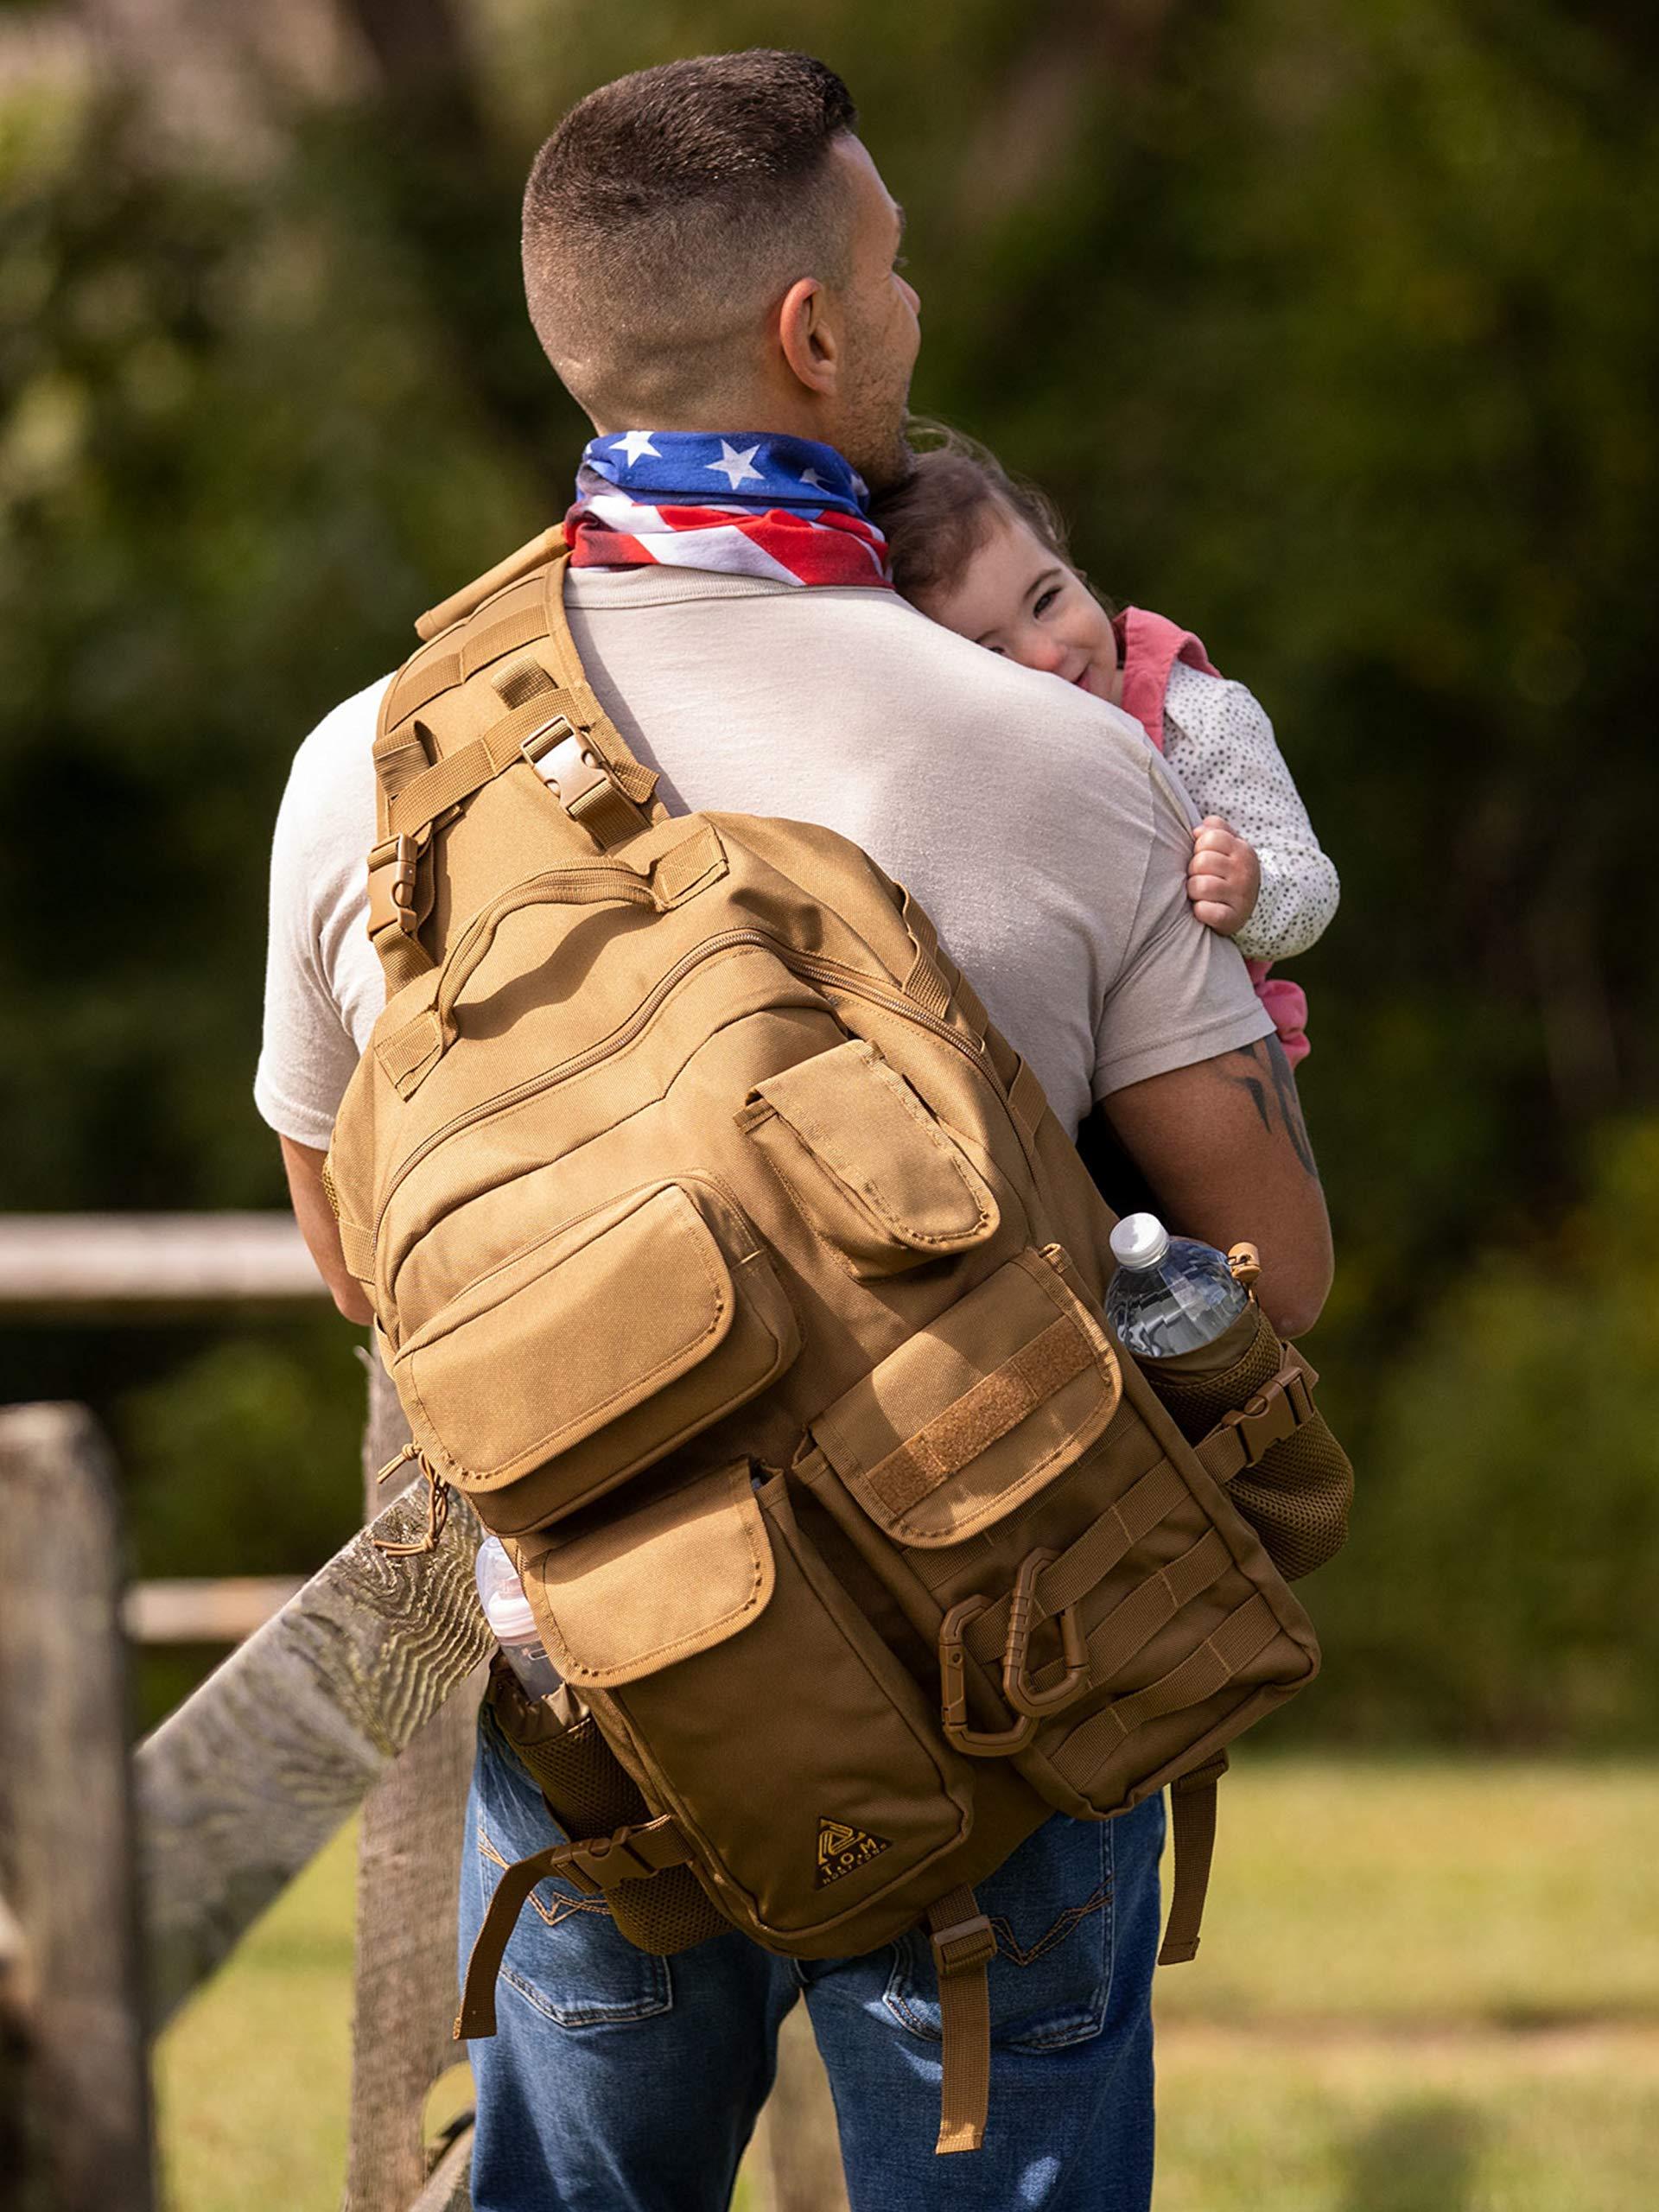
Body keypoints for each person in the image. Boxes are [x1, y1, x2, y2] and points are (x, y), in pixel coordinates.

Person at [257, 49, 1332, 2212]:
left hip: (597, 1690)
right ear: (812, 335)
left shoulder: (366, 762)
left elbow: (369, 1256)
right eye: (895, 267)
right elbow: (1269, 1276)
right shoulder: (1055, 753)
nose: (914, 310)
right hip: (1001, 1684)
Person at [874, 429, 1340, 1066]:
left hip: (1218, 1059)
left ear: (1076, 570)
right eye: (991, 653)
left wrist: (1252, 893)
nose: (1047, 653)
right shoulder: (977, 776)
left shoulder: (1198, 717)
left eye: (1047, 600)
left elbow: (1313, 884)